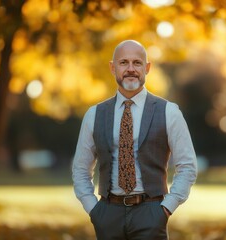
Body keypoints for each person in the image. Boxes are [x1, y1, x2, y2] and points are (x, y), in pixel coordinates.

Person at [72, 40, 197, 240]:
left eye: (137, 63)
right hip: (108, 213)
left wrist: (165, 209)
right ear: (113, 68)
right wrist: (94, 210)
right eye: (123, 62)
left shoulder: (168, 112)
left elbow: (187, 166)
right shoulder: (94, 114)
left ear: (147, 68)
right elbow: (81, 169)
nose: (131, 69)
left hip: (151, 212)